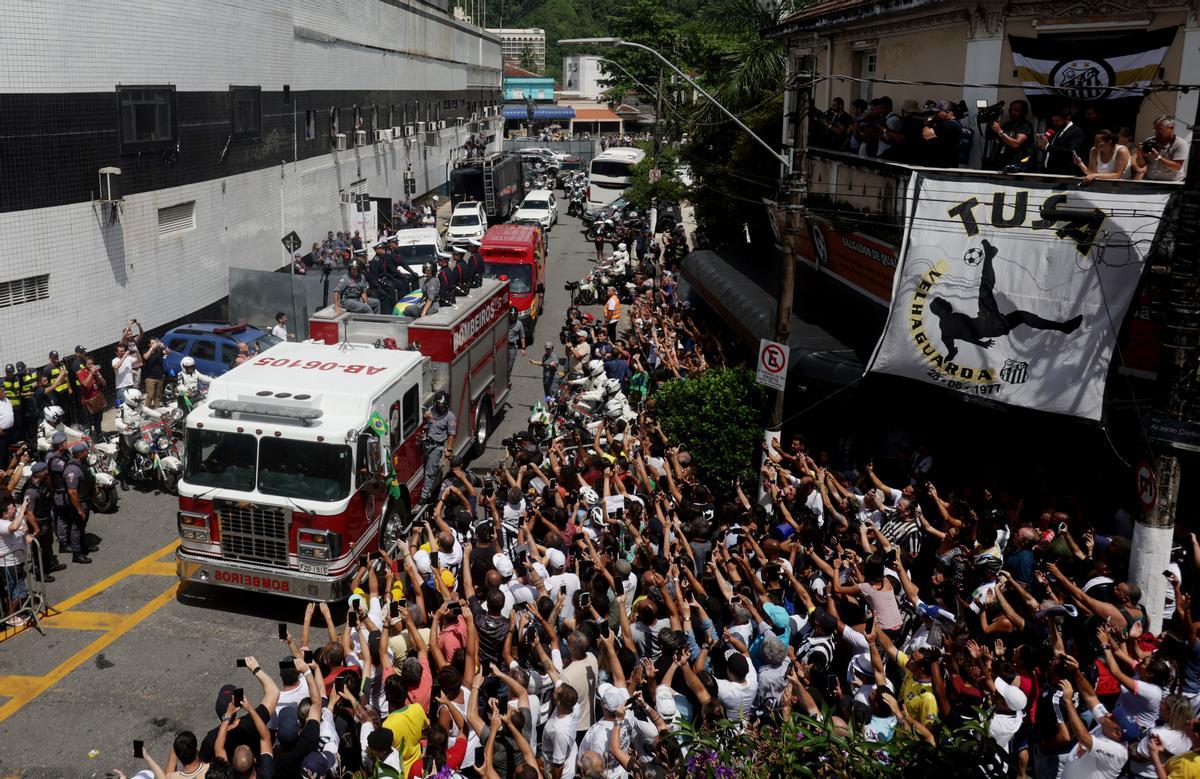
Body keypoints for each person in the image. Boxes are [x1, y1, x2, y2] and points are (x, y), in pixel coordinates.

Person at [928, 239, 1082, 362]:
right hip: (988, 324)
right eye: (943, 302)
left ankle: (1063, 327)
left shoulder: (945, 331)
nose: (947, 303)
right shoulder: (949, 321)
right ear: (940, 309)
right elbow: (967, 334)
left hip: (996, 327)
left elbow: (950, 347)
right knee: (984, 289)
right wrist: (981, 343)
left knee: (1021, 316)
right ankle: (989, 255)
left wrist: (951, 354)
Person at [62, 441, 94, 563]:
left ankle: (83, 546)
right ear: (81, 454)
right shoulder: (72, 470)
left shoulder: (82, 463)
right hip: (79, 503)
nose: (88, 453)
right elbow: (72, 492)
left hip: (85, 500)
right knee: (77, 527)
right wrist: (79, 509)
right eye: (86, 451)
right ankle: (77, 553)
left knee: (82, 526)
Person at [421, 390, 455, 503]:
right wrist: (424, 415)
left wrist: (449, 449)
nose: (441, 407)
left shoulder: (450, 417)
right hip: (425, 443)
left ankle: (425, 495)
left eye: (443, 405)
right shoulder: (431, 410)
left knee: (430, 472)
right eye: (439, 405)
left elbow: (451, 435)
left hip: (436, 447)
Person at [1137, 115, 1188, 182]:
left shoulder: (1180, 144)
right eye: (1155, 129)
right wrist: (1140, 154)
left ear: (1171, 128)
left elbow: (1177, 167)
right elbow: (1141, 165)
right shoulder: (1150, 141)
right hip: (1150, 182)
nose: (1156, 132)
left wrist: (1158, 157)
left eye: (1160, 129)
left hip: (1172, 183)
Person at [991, 100, 1034, 172]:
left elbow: (1016, 144)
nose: (1012, 112)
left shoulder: (1025, 126)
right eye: (1011, 110)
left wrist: (1000, 132)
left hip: (1017, 165)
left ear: (1024, 112)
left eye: (1016, 110)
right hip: (1003, 163)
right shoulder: (1007, 125)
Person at [1039, 109, 1086, 175]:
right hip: (1047, 170)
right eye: (1053, 121)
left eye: (1057, 121)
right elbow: (1046, 147)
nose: (1054, 123)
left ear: (1067, 118)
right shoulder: (1054, 129)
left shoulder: (1076, 131)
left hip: (1064, 172)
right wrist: (1041, 143)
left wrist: (1048, 146)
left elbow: (1070, 151)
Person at [75, 356, 107, 441]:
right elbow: (85, 384)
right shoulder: (80, 373)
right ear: (85, 365)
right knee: (88, 422)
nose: (91, 365)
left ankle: (99, 437)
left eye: (92, 363)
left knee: (98, 420)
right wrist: (91, 374)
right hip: (88, 401)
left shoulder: (96, 371)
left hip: (97, 398)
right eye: (89, 364)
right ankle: (88, 440)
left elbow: (104, 383)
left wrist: (99, 376)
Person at [140, 338, 168, 408]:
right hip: (150, 378)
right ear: (149, 345)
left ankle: (157, 409)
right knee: (150, 395)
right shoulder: (146, 351)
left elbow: (168, 352)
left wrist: (164, 346)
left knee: (158, 395)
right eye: (152, 343)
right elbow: (145, 357)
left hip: (160, 377)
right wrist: (152, 348)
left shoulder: (159, 351)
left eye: (155, 343)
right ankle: (147, 411)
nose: (155, 344)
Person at [112, 342, 140, 407]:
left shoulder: (128, 358)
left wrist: (137, 352)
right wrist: (124, 357)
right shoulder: (114, 360)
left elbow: (139, 360)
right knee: (124, 406)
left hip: (131, 385)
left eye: (124, 351)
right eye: (121, 351)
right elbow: (116, 366)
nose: (123, 352)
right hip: (121, 387)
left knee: (133, 404)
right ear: (116, 353)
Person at [507, 307, 526, 379]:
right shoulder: (505, 321)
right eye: (511, 316)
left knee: (510, 365)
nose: (513, 317)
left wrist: (523, 348)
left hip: (512, 348)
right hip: (504, 346)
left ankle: (507, 379)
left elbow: (522, 337)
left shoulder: (519, 324)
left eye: (514, 315)